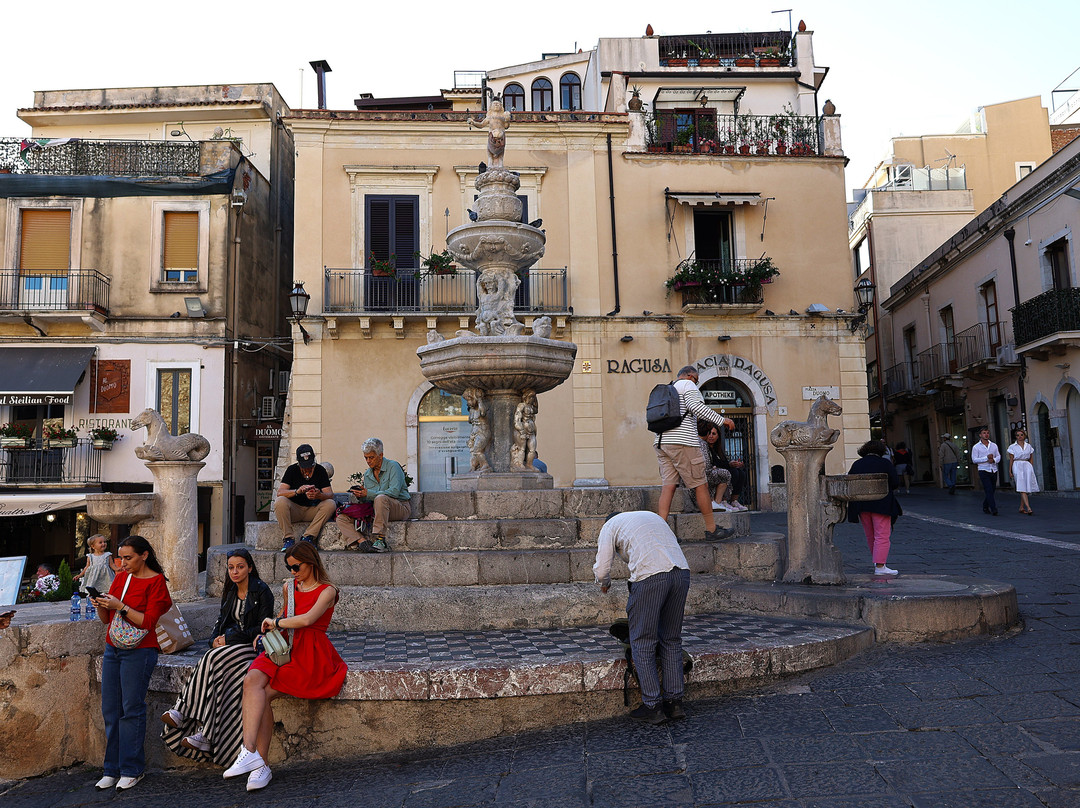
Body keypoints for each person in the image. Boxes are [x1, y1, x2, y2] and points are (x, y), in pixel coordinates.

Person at [224, 542, 346, 792]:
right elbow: (285, 617)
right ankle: (248, 752)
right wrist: (272, 627)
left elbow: (308, 619)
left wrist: (278, 620)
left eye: (296, 567)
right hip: (283, 648)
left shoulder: (328, 590)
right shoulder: (288, 587)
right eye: (289, 567)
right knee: (251, 681)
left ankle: (261, 765)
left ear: (310, 562)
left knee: (264, 695)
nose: (292, 572)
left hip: (310, 652)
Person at [161, 549, 275, 765]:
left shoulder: (262, 591)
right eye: (231, 567)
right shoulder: (231, 591)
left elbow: (262, 628)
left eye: (240, 567)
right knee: (215, 659)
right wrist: (215, 639)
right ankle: (204, 734)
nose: (235, 571)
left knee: (214, 658)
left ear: (250, 568)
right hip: (231, 646)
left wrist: (230, 638)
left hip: (253, 646)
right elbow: (221, 620)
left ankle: (182, 710)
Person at [89, 535, 172, 792]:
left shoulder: (157, 582)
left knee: (131, 709)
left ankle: (131, 769)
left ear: (144, 555)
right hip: (113, 647)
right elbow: (106, 619)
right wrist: (100, 604)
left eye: (128, 558)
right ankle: (111, 769)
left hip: (140, 650)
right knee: (111, 710)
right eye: (121, 558)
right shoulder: (121, 578)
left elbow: (148, 623)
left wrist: (120, 606)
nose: (123, 563)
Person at [593, 511, 691, 724]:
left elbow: (602, 568)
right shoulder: (650, 516)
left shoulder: (609, 526)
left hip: (650, 577)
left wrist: (605, 582)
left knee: (643, 642)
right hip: (681, 573)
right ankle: (675, 704)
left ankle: (653, 706)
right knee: (671, 640)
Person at [655, 366, 736, 541]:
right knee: (701, 484)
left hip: (662, 442)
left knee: (668, 486)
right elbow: (696, 407)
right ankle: (712, 529)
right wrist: (722, 420)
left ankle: (661, 532)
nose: (696, 383)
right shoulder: (688, 386)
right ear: (691, 376)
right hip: (683, 442)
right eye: (697, 380)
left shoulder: (669, 387)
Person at [343, 437, 411, 553]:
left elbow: (394, 492)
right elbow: (369, 498)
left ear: (380, 455)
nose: (368, 461)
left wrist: (369, 493)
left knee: (380, 499)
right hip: (378, 509)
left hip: (399, 507)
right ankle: (362, 542)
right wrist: (361, 495)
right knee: (342, 516)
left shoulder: (393, 466)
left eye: (371, 457)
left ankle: (380, 539)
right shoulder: (368, 474)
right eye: (366, 458)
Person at [847, 440, 902, 576]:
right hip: (881, 503)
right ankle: (880, 566)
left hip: (862, 504)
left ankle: (877, 562)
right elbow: (895, 483)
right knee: (882, 535)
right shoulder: (885, 463)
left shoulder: (857, 464)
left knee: (870, 535)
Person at [273, 444, 336, 553]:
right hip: (295, 510)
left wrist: (319, 495)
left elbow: (330, 494)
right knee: (280, 501)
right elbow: (280, 492)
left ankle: (309, 537)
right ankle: (288, 538)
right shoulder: (292, 470)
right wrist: (297, 491)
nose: (307, 469)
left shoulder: (320, 470)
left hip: (313, 510)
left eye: (309, 466)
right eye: (304, 466)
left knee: (330, 504)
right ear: (298, 463)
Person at [696, 420, 731, 511]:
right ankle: (717, 502)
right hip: (702, 475)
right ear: (707, 433)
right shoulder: (702, 444)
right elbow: (706, 465)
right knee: (725, 474)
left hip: (693, 474)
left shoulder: (695, 441)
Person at [1008, 428, 1039, 515]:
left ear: (1024, 435)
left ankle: (1021, 507)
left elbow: (1031, 458)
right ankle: (1029, 508)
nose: (1020, 437)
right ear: (1016, 437)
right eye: (1018, 435)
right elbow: (1011, 459)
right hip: (1017, 465)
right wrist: (1010, 470)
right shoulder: (1012, 447)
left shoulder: (1028, 446)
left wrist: (1030, 467)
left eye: (1021, 435)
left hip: (1026, 465)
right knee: (1021, 486)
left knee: (1025, 486)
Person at [972, 427, 1001, 516]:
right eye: (984, 433)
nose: (986, 434)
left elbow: (998, 456)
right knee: (988, 489)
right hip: (983, 470)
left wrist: (994, 460)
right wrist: (986, 458)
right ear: (980, 435)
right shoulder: (976, 447)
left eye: (987, 433)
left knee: (992, 490)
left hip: (993, 470)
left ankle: (985, 505)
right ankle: (993, 509)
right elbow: (974, 460)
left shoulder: (994, 445)